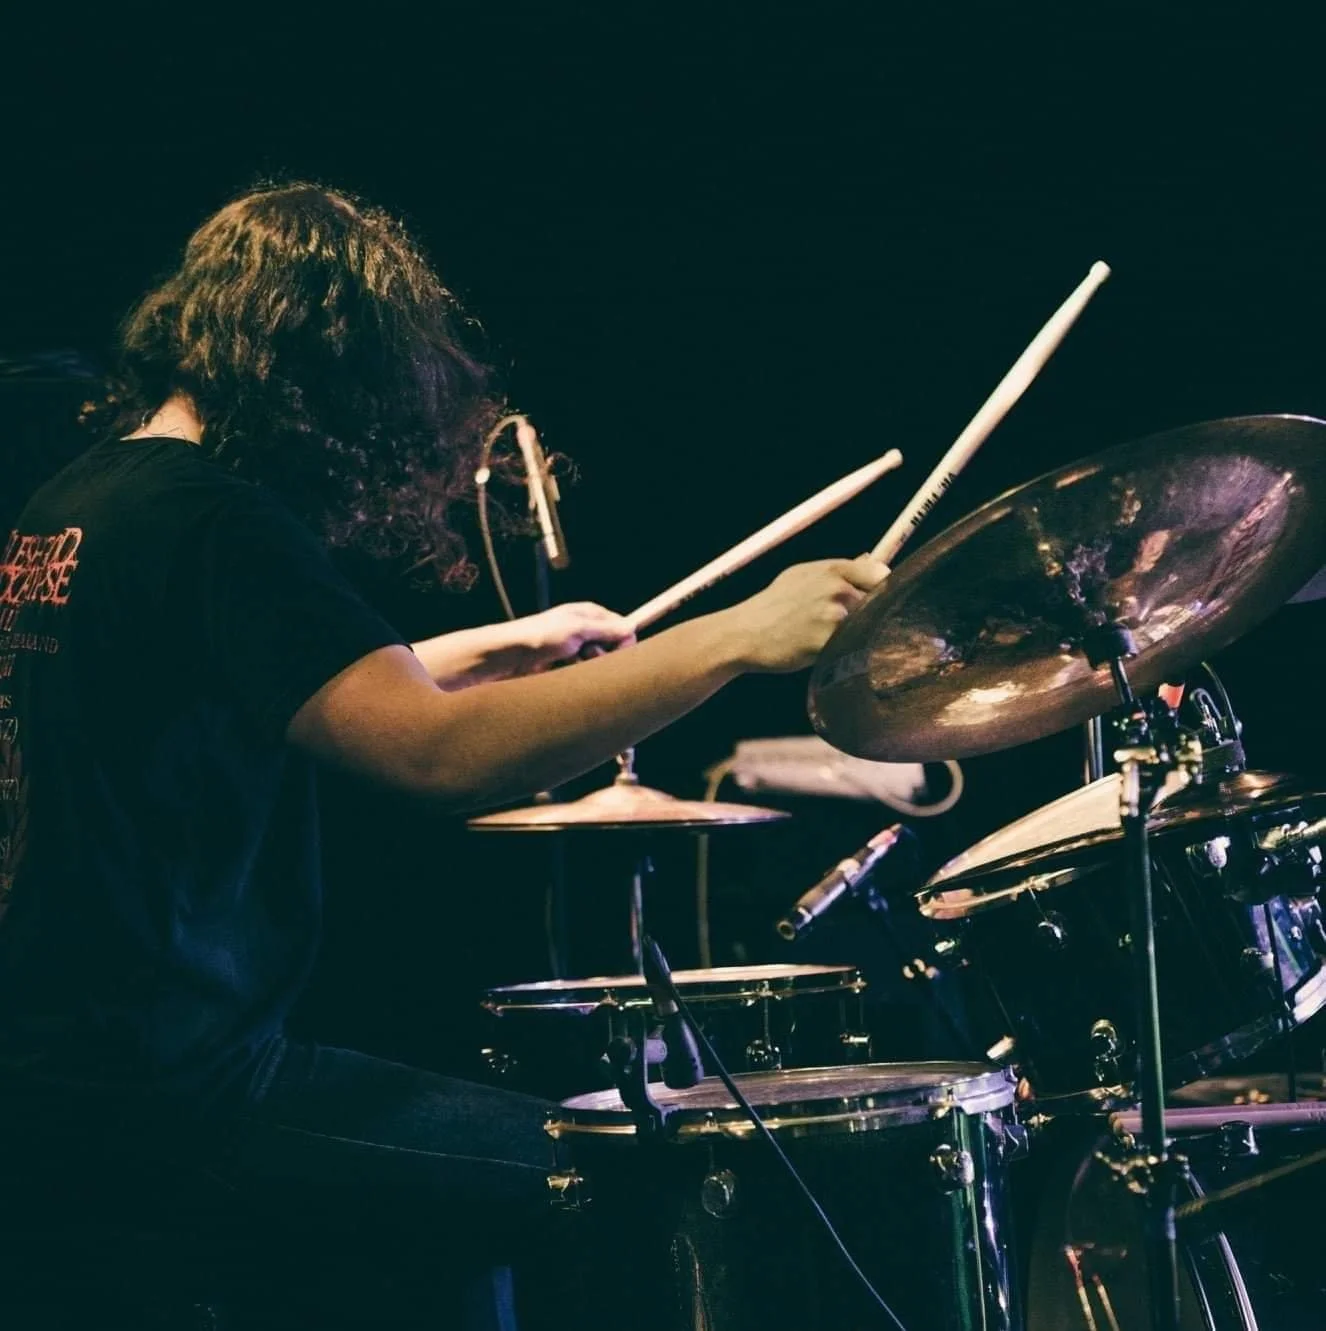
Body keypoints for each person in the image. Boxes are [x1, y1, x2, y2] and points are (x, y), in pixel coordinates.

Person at [0, 182, 886, 1321]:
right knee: (631, 1167)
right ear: (319, 366)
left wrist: (492, 646)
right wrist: (734, 636)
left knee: (451, 1228)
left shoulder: (92, 496)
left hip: (58, 1079)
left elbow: (239, 682)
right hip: (175, 1097)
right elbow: (434, 757)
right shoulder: (217, 519)